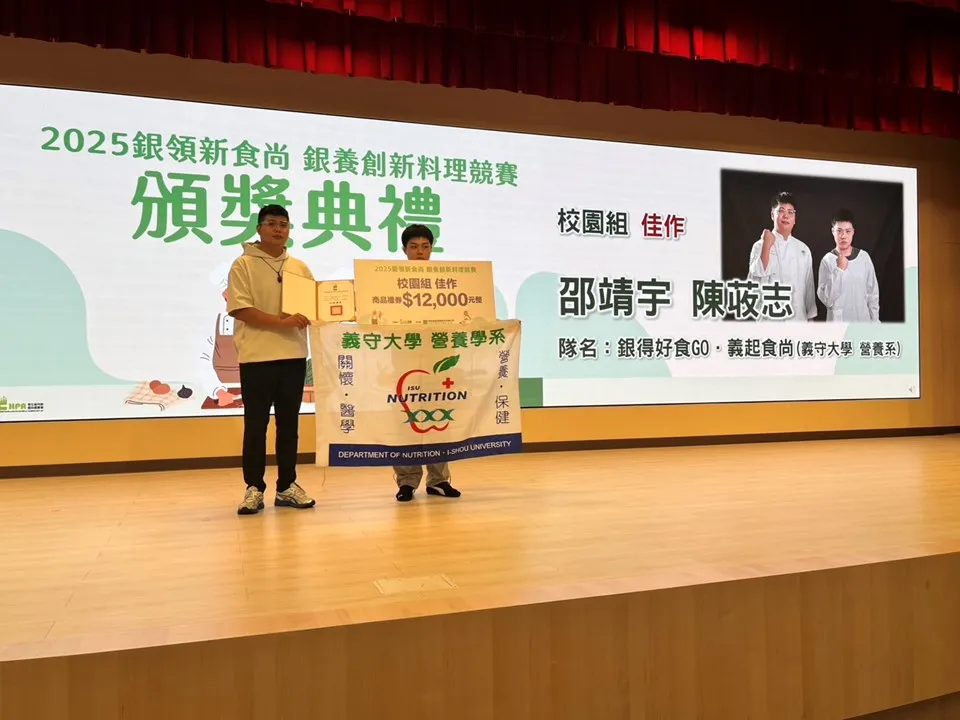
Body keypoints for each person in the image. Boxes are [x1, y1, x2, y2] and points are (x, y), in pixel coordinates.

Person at [227, 205, 316, 515]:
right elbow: (240, 309)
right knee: (256, 426)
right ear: (259, 228)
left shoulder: (299, 267)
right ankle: (254, 488)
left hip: (293, 355)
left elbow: (315, 305)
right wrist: (283, 322)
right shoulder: (243, 264)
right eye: (272, 224)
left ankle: (287, 486)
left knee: (289, 426)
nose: (279, 230)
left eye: (284, 224)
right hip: (256, 357)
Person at [393, 224, 462, 503]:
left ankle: (439, 479)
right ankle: (407, 481)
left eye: (425, 246)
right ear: (404, 250)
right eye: (414, 247)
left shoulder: (445, 280)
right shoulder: (389, 280)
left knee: (439, 416)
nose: (420, 252)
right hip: (403, 356)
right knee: (405, 420)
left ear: (432, 248)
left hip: (438, 356)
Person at [747, 191, 817, 321]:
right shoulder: (759, 246)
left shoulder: (803, 249)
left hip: (798, 321)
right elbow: (753, 283)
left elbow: (809, 289)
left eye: (790, 212)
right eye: (781, 211)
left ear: (794, 219)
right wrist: (767, 245)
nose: (786, 216)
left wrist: (810, 319)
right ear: (772, 215)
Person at [816, 209, 880, 323]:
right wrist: (839, 270)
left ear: (853, 232)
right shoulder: (827, 261)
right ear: (833, 231)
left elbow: (873, 295)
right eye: (839, 231)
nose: (843, 236)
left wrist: (875, 322)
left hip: (862, 323)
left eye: (847, 231)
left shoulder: (863, 257)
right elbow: (827, 300)